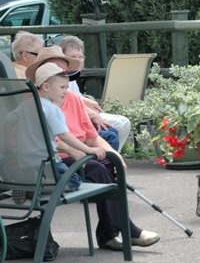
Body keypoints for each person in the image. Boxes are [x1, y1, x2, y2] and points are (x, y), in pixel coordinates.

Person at [25, 47, 160, 251]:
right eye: (55, 69)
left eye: (64, 71)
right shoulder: (35, 103)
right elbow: (52, 139)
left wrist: (114, 155)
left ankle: (111, 233)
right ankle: (121, 230)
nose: (63, 75)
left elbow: (92, 136)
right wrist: (76, 151)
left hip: (76, 157)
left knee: (109, 164)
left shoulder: (72, 99)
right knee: (99, 169)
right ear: (44, 80)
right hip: (57, 161)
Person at [33, 62, 107, 191]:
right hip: (50, 163)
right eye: (62, 87)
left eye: (67, 88)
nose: (66, 92)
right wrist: (89, 150)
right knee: (74, 181)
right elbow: (65, 136)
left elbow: (11, 121)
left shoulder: (27, 105)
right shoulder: (52, 109)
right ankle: (42, 188)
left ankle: (36, 187)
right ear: (45, 87)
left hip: (27, 165)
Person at [59, 36, 132, 152]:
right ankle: (112, 159)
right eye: (73, 57)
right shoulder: (62, 77)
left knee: (123, 123)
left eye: (80, 57)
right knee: (118, 125)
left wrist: (86, 102)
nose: (78, 60)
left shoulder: (73, 76)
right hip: (74, 119)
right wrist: (91, 112)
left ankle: (114, 158)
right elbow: (67, 101)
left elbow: (75, 97)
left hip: (81, 114)